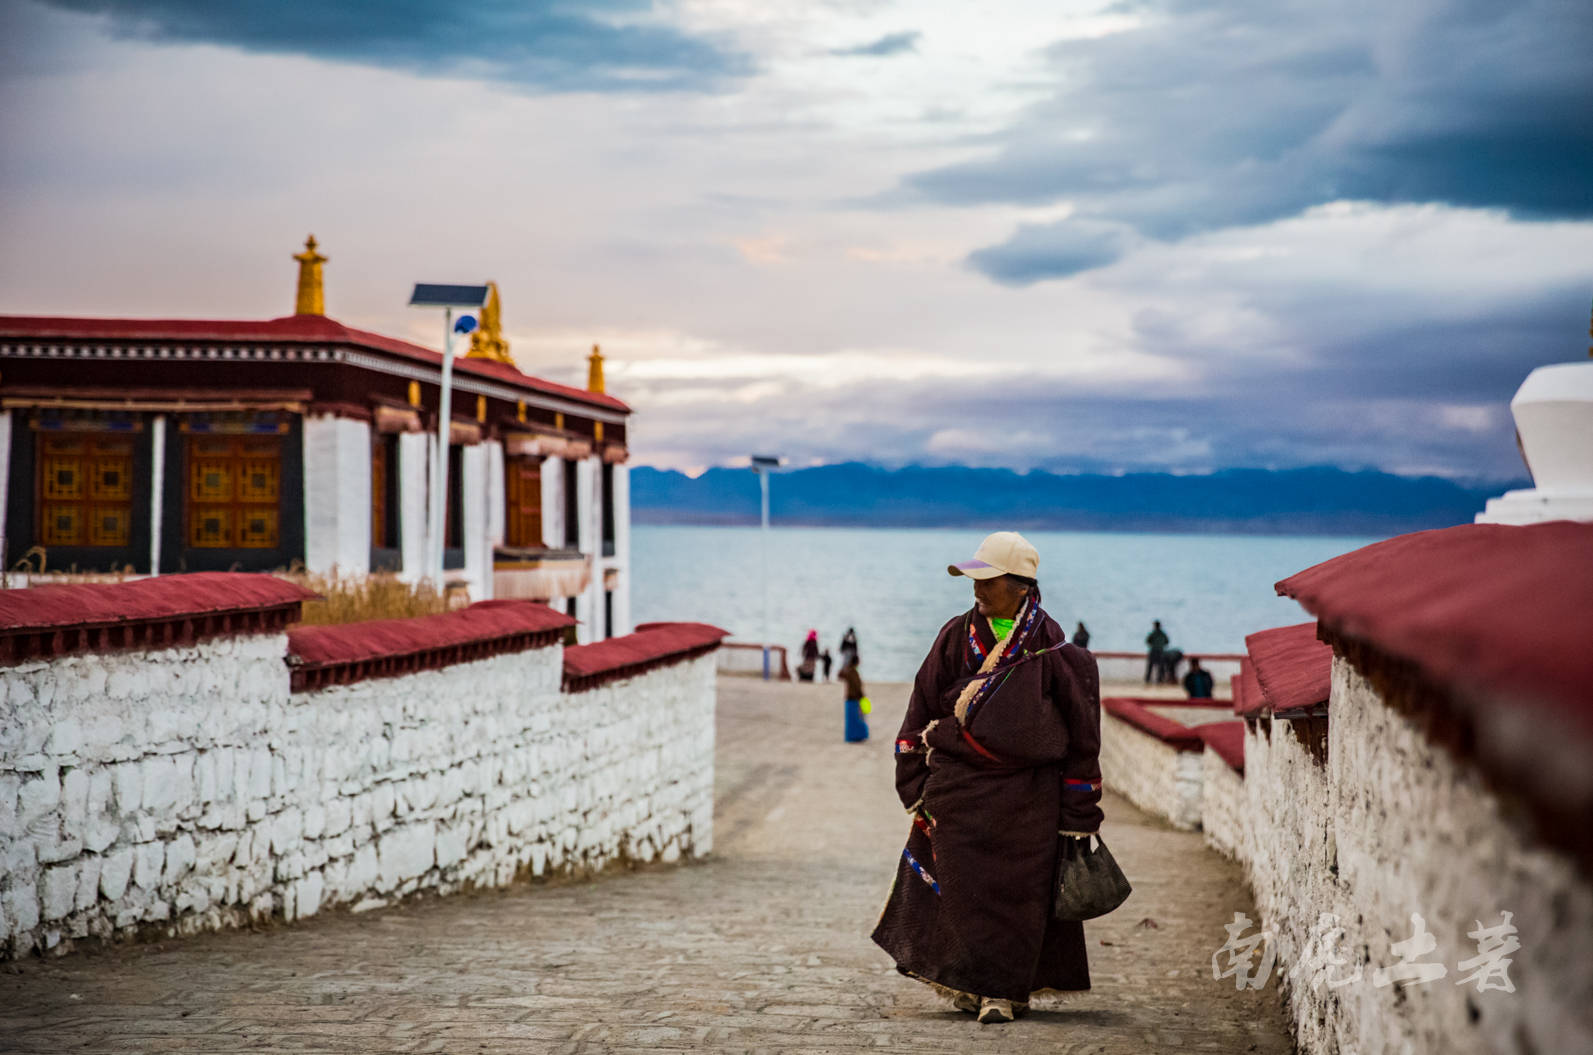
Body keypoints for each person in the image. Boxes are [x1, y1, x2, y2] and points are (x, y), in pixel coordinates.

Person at [872, 531, 1103, 1025]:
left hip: (1028, 799)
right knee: (962, 892)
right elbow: (922, 704)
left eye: (988, 581)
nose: (977, 590)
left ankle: (1001, 992)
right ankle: (967, 980)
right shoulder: (956, 636)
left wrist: (1079, 810)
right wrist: (914, 782)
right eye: (973, 580)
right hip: (959, 793)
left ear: (1022, 586)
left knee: (1017, 899)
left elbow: (1083, 735)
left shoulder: (1054, 649)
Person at [841, 655, 868, 742]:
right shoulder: (853, 672)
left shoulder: (849, 671)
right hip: (854, 699)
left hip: (850, 698)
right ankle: (856, 736)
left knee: (852, 720)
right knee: (857, 719)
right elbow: (857, 687)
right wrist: (862, 696)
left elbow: (840, 675)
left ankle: (853, 736)